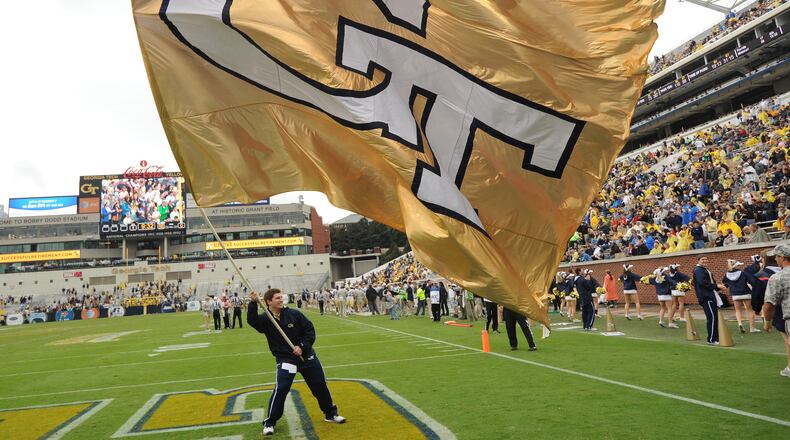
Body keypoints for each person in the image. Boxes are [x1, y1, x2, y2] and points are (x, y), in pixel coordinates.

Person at [248, 288, 346, 435]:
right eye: (277, 298)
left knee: (320, 385)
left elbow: (309, 331)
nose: (281, 300)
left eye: (281, 297)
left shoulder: (294, 314)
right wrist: (253, 303)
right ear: (268, 301)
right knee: (281, 389)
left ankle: (330, 414)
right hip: (286, 359)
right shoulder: (266, 319)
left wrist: (302, 346)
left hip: (307, 357)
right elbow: (252, 321)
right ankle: (269, 422)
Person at [762, 244, 790, 377]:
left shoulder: (777, 277)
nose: (775, 260)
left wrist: (767, 320)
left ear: (782, 257)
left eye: (776, 257)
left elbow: (769, 305)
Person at [722, 259, 759, 333]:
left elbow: (725, 283)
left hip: (735, 294)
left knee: (738, 310)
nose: (740, 266)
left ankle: (740, 323)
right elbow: (752, 281)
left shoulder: (727, 274)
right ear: (736, 266)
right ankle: (752, 328)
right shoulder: (743, 273)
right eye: (739, 265)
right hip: (746, 293)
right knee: (749, 310)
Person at [693, 256, 722, 345]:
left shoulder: (704, 269)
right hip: (706, 297)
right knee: (712, 318)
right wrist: (716, 286)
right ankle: (712, 339)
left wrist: (718, 287)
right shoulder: (698, 270)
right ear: (698, 261)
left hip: (710, 295)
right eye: (703, 259)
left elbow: (710, 282)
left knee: (714, 317)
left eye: (706, 259)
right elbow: (703, 282)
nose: (705, 260)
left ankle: (714, 338)